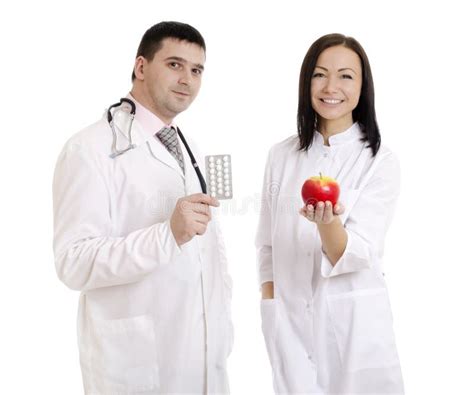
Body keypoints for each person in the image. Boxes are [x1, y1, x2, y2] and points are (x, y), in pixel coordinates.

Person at [53, 21, 233, 394]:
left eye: (197, 70)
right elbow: (72, 262)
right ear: (140, 67)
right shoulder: (90, 149)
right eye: (174, 64)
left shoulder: (191, 148)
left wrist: (221, 329)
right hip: (135, 365)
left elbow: (207, 251)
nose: (187, 79)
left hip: (202, 358)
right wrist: (166, 234)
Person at [256, 33, 404, 394]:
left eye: (346, 76)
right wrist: (272, 307)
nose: (331, 87)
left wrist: (328, 224)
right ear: (307, 82)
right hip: (289, 328)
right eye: (320, 74)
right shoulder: (281, 155)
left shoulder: (379, 162)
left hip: (355, 327)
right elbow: (266, 245)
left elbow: (353, 254)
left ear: (362, 86)